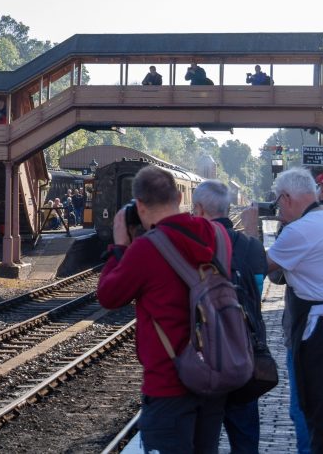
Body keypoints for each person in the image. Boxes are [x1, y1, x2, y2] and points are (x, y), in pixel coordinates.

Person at [97, 166, 229, 453]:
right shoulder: (218, 235)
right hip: (214, 375)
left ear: (140, 205)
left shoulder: (145, 250)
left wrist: (119, 247)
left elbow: (108, 296)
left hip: (169, 384)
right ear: (181, 196)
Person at [266, 167, 323, 453]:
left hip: (322, 330)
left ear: (287, 198)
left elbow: (263, 266)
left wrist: (252, 227)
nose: (278, 207)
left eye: (279, 201)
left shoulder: (300, 230)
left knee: (320, 411)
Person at [192, 181, 268, 454]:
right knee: (245, 440)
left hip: (201, 359)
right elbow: (256, 294)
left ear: (198, 209)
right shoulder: (251, 246)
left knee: (201, 440)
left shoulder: (188, 246)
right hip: (242, 354)